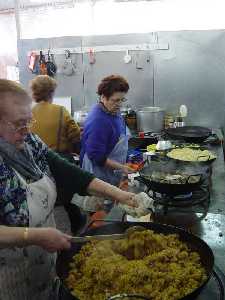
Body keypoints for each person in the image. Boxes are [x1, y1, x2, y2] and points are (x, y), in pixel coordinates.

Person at [0, 79, 151, 300]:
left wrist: (120, 195)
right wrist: (32, 235)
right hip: (10, 275)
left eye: (28, 121)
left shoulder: (29, 141)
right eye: (18, 123)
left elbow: (69, 172)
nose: (26, 129)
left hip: (44, 259)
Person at [30, 75, 82, 234]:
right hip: (59, 162)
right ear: (51, 92)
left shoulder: (29, 112)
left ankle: (46, 233)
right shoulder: (60, 110)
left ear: (34, 93)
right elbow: (75, 136)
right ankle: (77, 228)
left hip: (36, 165)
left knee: (44, 202)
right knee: (71, 201)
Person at [80, 74, 134, 188]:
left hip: (111, 172)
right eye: (116, 100)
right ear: (103, 97)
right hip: (98, 175)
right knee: (99, 204)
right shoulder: (98, 121)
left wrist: (125, 161)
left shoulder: (113, 110)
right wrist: (121, 167)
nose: (119, 105)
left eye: (122, 100)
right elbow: (97, 158)